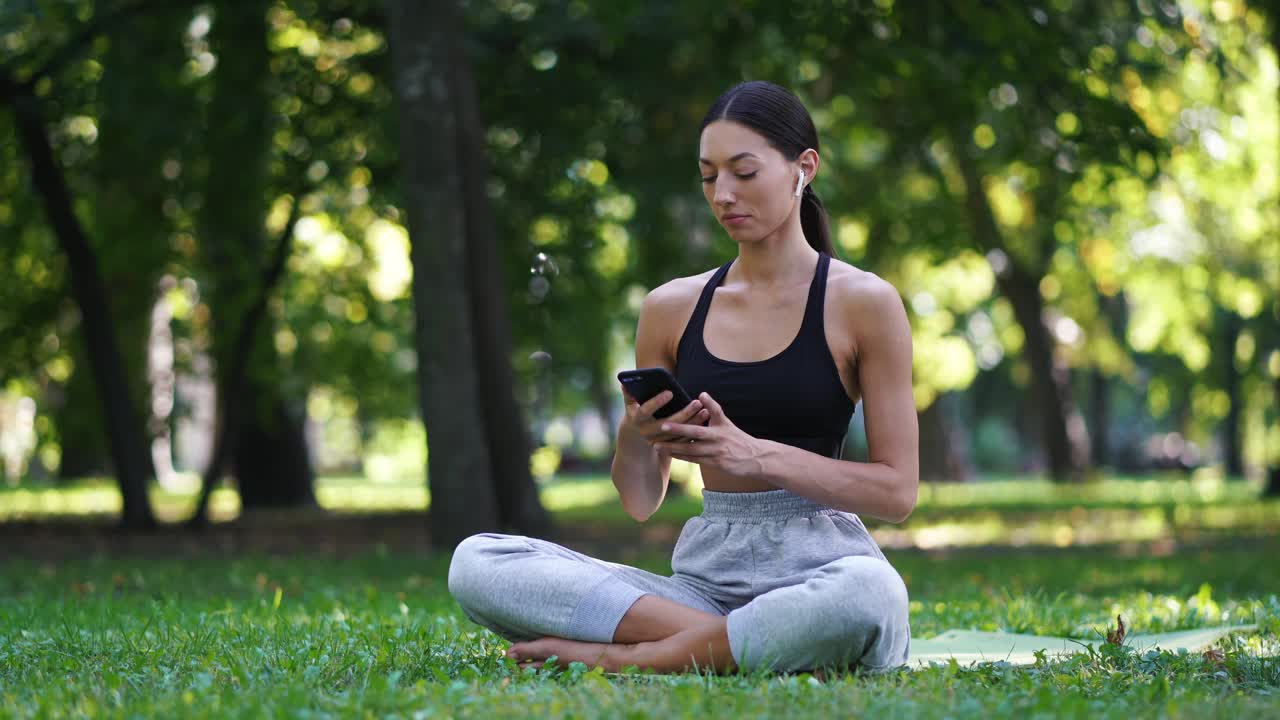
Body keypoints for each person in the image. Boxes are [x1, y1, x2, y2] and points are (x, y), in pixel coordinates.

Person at [448, 80, 918, 677]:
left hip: (824, 573)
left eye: (744, 172)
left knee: (870, 595)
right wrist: (636, 432)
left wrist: (754, 454)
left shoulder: (863, 302)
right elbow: (641, 501)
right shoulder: (671, 307)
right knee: (479, 562)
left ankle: (631, 659)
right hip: (703, 586)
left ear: (804, 168)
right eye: (708, 176)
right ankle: (757, 645)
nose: (723, 194)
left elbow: (896, 493)